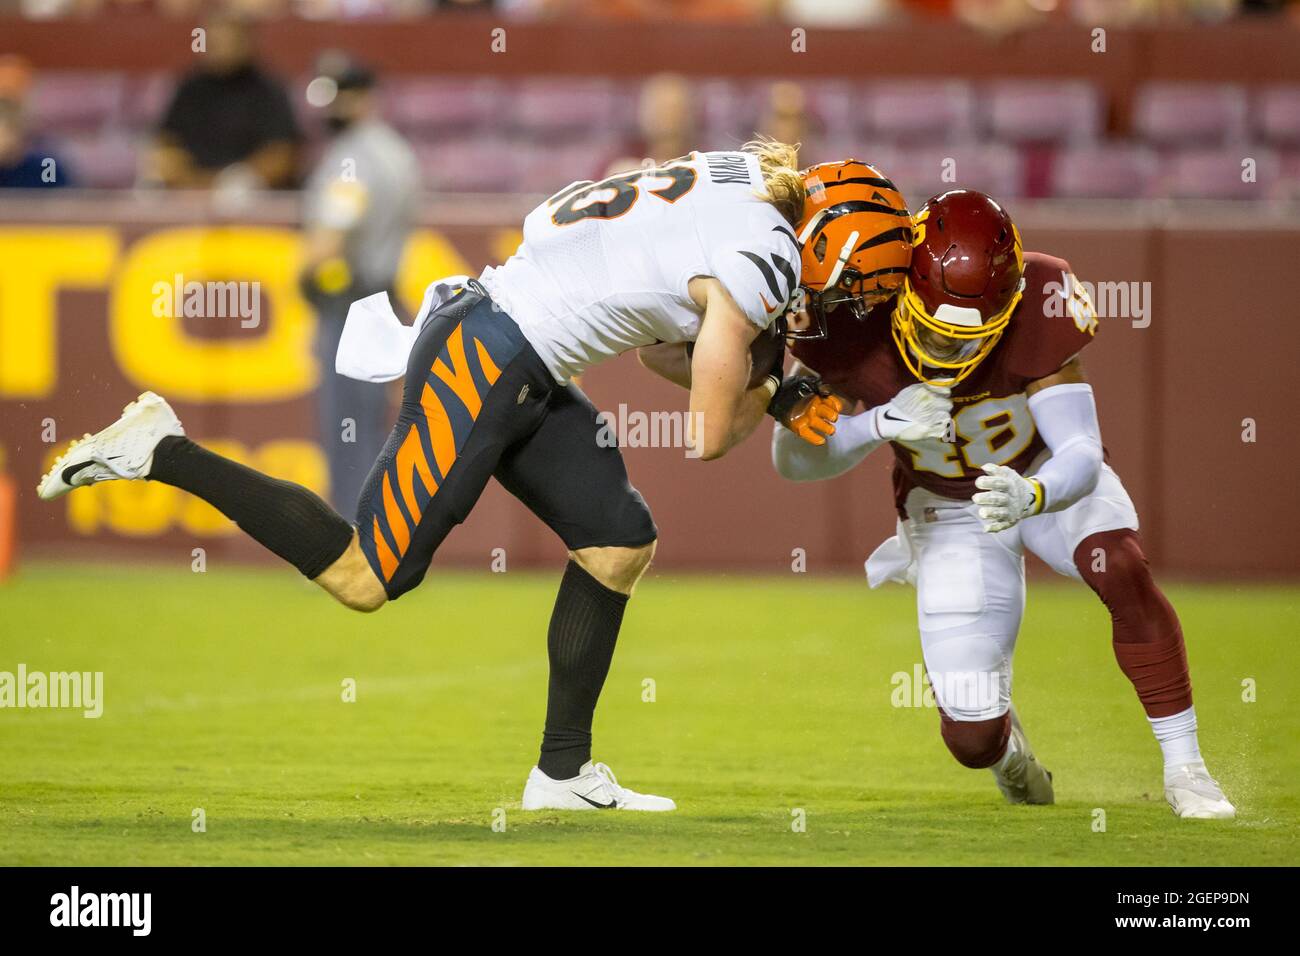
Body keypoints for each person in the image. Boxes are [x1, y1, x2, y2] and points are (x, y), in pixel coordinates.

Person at [39, 141, 860, 812]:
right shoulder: (767, 250)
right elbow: (711, 436)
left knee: (617, 542)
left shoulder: (737, 186)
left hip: (520, 351)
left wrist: (761, 375)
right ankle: (163, 450)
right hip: (491, 355)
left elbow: (654, 344)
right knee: (366, 577)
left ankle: (562, 775)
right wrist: (777, 390)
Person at [772, 189, 1235, 819]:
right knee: (971, 739)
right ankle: (1010, 752)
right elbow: (793, 461)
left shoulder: (1040, 296)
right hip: (946, 511)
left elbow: (1079, 447)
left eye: (969, 338)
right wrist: (877, 424)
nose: (947, 354)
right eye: (933, 333)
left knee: (1118, 565)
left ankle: (1188, 768)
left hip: (1035, 477)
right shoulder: (852, 310)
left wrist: (1036, 493)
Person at [299, 53, 419, 512]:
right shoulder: (396, 151)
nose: (330, 111)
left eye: (340, 100)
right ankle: (379, 533)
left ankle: (353, 539)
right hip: (383, 300)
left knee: (347, 428)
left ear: (364, 99)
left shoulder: (353, 156)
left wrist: (305, 271)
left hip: (351, 303)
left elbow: (330, 237)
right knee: (373, 428)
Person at [149, 13, 300, 190]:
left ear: (246, 40)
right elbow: (166, 144)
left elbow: (282, 157)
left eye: (228, 38)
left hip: (251, 197)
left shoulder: (269, 90)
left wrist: (237, 181)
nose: (220, 46)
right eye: (213, 40)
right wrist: (192, 182)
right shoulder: (189, 88)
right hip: (191, 194)